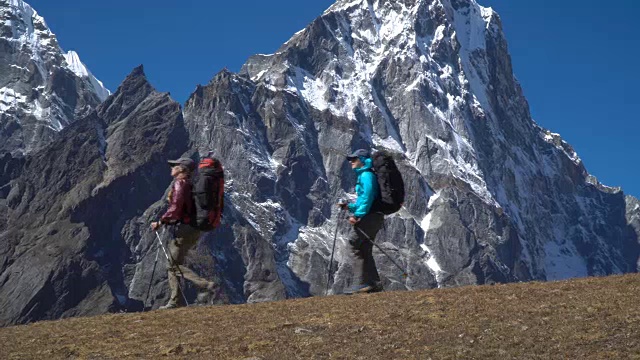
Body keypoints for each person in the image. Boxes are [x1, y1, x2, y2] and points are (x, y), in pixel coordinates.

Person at [151, 157, 217, 309]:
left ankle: (205, 284)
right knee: (173, 264)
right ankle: (175, 301)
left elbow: (175, 209)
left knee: (172, 265)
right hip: (193, 229)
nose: (171, 168)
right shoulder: (190, 185)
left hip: (184, 230)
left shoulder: (180, 184)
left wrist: (160, 222)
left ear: (182, 169)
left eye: (175, 165)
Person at [339, 149, 385, 294]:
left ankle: (361, 283)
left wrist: (357, 215)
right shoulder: (367, 175)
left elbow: (368, 197)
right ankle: (374, 283)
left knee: (353, 244)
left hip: (369, 217)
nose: (351, 162)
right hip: (375, 216)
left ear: (363, 160)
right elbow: (364, 199)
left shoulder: (366, 175)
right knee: (365, 248)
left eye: (354, 159)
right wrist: (350, 207)